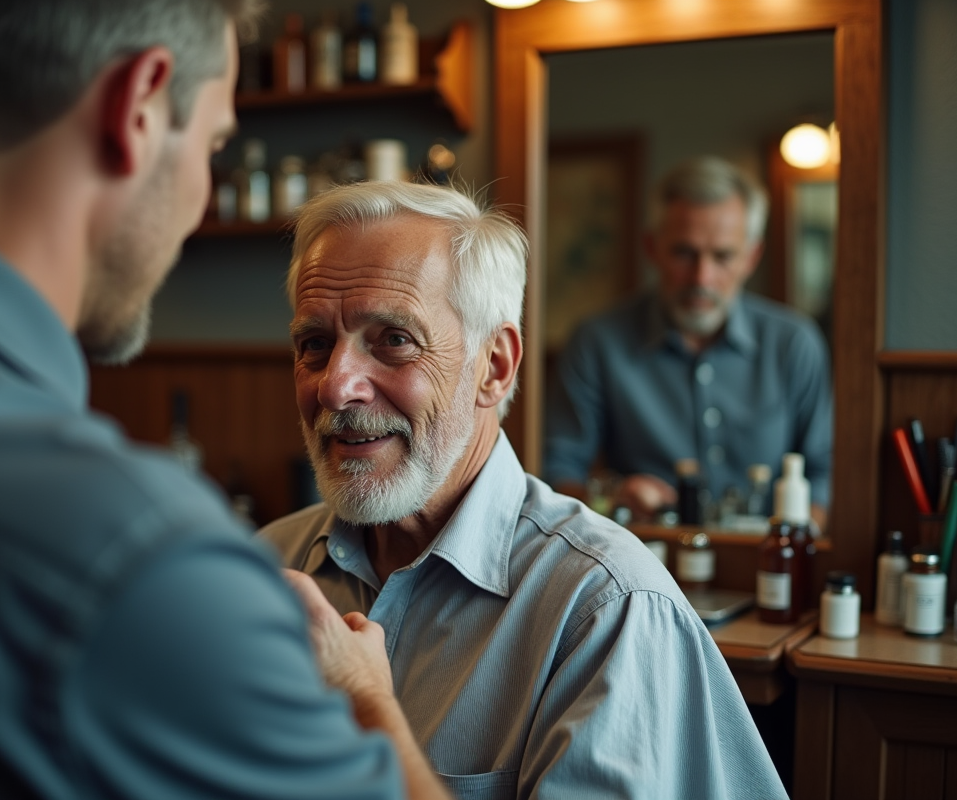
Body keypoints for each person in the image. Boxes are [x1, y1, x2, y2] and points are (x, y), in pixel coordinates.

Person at [0, 2, 451, 798]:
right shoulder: (142, 557)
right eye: (212, 144)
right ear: (138, 107)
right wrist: (370, 703)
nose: (202, 194)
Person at [259, 180, 788, 799]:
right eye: (314, 345)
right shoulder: (265, 565)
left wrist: (371, 713)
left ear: (495, 366)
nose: (334, 386)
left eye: (393, 340)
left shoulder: (605, 610)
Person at [544, 156, 833, 527]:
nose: (702, 276)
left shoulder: (795, 344)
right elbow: (558, 472)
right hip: (643, 561)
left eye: (723, 256)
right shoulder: (598, 342)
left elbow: (825, 476)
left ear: (752, 256)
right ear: (652, 248)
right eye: (684, 253)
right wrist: (613, 497)